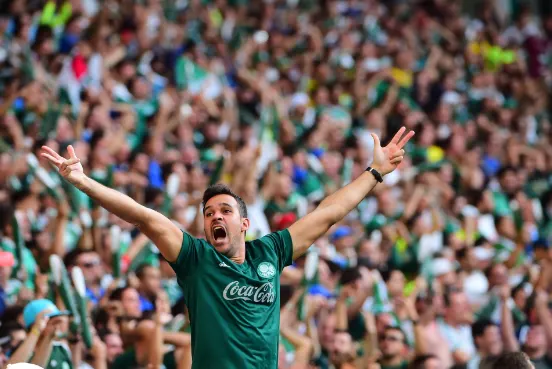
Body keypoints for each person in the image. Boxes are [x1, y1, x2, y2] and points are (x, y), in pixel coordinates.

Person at [40, 127, 414, 369]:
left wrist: (374, 173)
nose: (216, 217)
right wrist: (85, 183)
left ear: (244, 224)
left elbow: (327, 214)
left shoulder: (270, 252)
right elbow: (144, 217)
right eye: (209, 213)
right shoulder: (196, 258)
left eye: (225, 210)